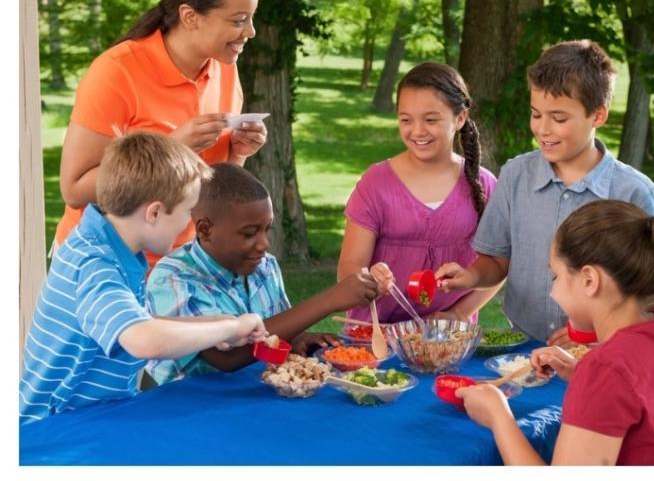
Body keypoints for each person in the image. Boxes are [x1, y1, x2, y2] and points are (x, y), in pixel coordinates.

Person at [457, 200, 654, 465]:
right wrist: (581, 371)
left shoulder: (607, 369)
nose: (554, 290)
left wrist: (499, 417)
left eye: (556, 276)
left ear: (589, 280)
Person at [20, 133, 267, 424]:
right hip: (55, 429)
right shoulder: (94, 264)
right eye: (187, 211)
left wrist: (218, 325)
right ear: (154, 212)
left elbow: (142, 323)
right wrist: (232, 326)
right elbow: (144, 340)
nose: (189, 222)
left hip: (96, 417)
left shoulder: (109, 244)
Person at [437, 40, 654, 344]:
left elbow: (651, 298)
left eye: (559, 118)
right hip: (522, 348)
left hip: (601, 353)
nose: (542, 129)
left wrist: (589, 337)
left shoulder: (633, 193)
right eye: (536, 114)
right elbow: (498, 260)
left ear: (597, 116)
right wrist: (472, 277)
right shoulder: (516, 175)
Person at [54, 0, 267, 265]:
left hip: (181, 265)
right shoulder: (116, 71)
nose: (250, 32)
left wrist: (237, 152)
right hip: (104, 263)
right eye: (238, 20)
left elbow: (208, 187)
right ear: (190, 16)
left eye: (251, 19)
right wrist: (169, 148)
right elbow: (74, 190)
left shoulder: (224, 67)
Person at [145, 163, 382, 384]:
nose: (264, 244)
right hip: (189, 409)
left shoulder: (264, 266)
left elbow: (273, 331)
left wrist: (298, 337)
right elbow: (228, 358)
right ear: (206, 230)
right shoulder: (174, 279)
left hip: (253, 396)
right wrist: (329, 300)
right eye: (249, 233)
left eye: (267, 229)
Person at [336, 62, 498, 323]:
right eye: (406, 120)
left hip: (447, 340)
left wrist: (458, 314)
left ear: (460, 118)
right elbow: (348, 269)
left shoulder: (484, 183)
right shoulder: (375, 183)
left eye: (431, 119)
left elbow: (499, 267)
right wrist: (370, 279)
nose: (418, 131)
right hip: (374, 337)